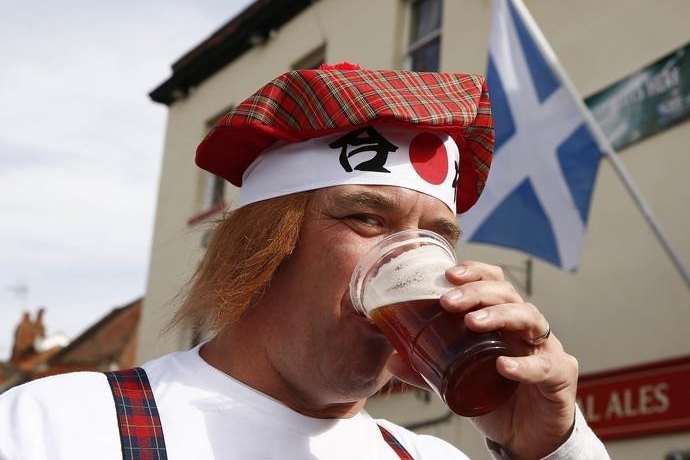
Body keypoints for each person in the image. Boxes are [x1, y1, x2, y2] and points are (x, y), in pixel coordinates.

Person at [0, 64, 609, 459]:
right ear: (263, 248)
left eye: (437, 237)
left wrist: (554, 450)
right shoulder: (64, 428)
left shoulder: (427, 457)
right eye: (366, 218)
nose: (418, 264)